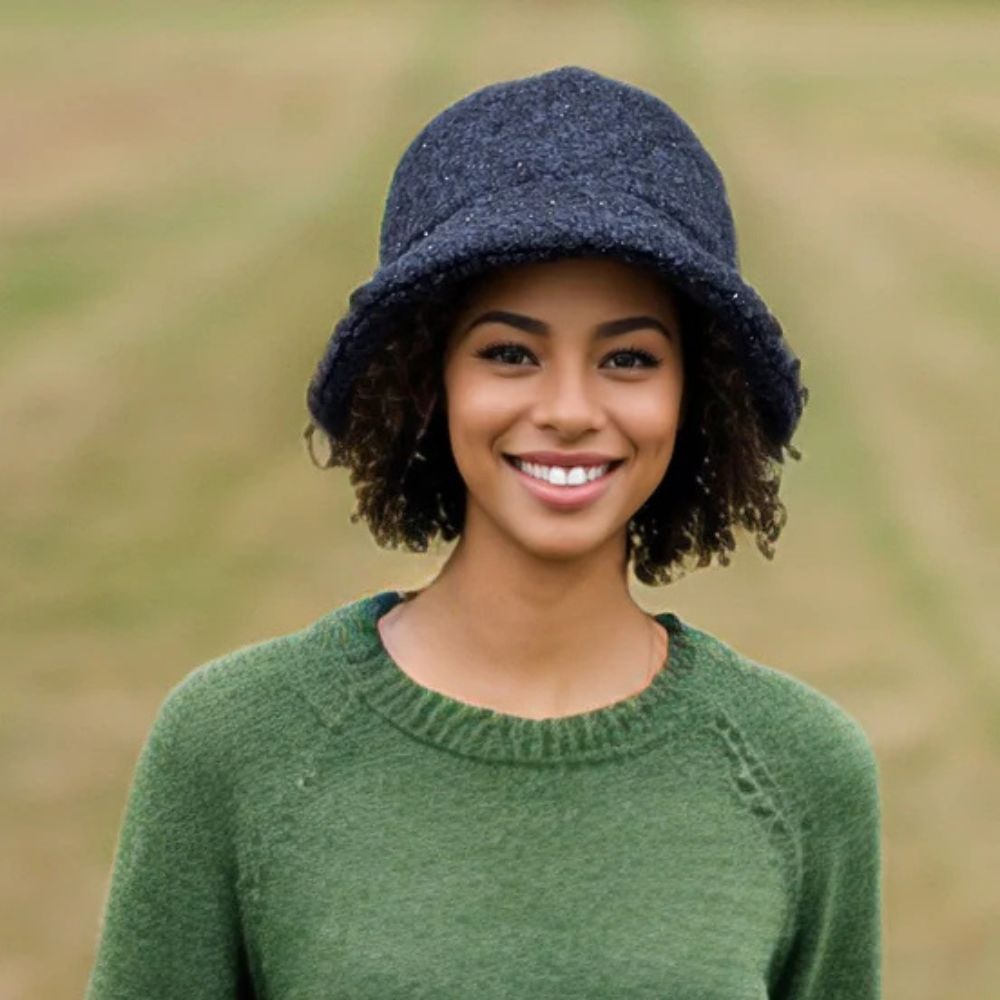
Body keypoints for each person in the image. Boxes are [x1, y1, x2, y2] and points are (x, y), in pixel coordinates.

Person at [85, 65, 883, 998]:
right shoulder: (233, 744)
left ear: (694, 395)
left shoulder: (802, 769)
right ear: (428, 381)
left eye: (629, 357)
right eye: (510, 353)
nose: (572, 409)